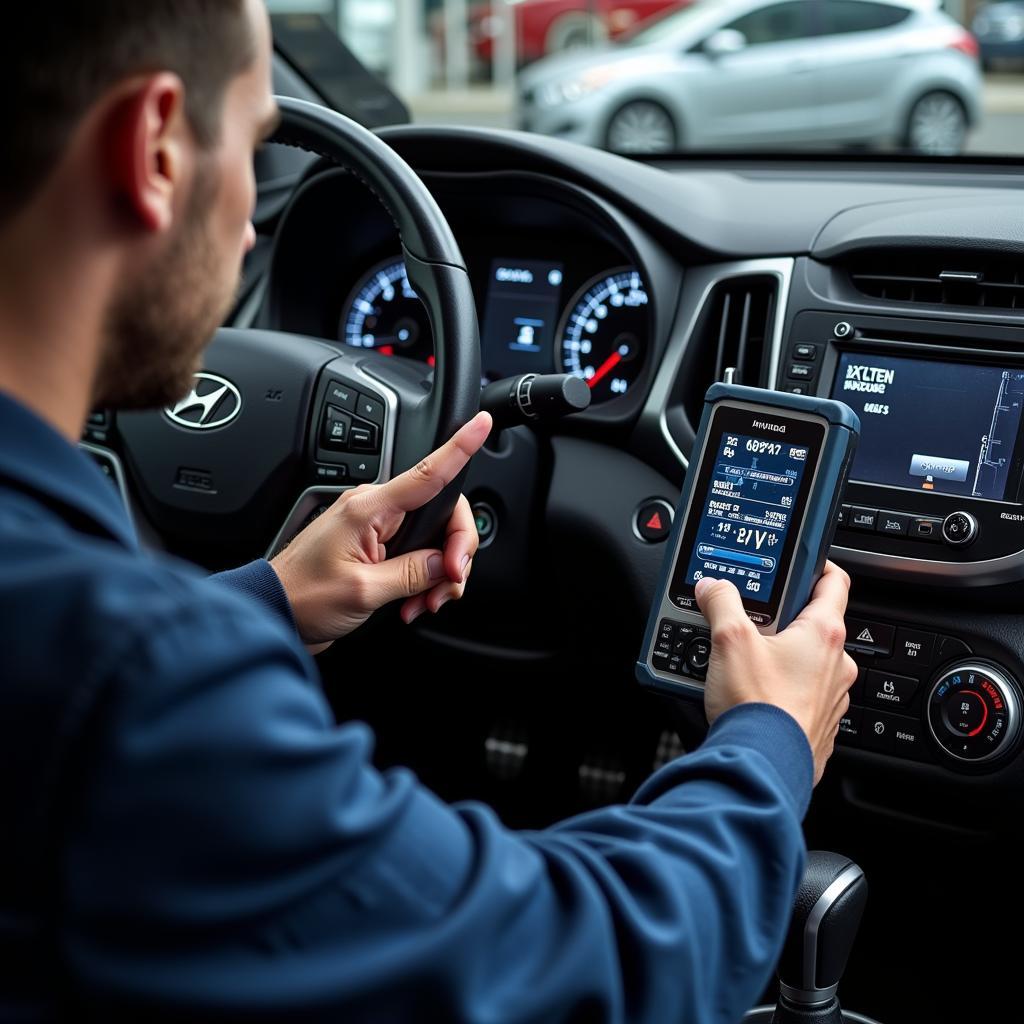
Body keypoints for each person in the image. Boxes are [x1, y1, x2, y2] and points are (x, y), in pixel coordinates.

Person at [0, 1, 857, 1020]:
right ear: (152, 152)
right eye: (253, 150)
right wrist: (765, 740)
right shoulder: (136, 687)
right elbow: (574, 963)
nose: (247, 226)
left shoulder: (78, 641)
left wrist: (263, 600)